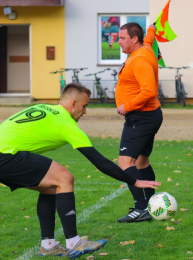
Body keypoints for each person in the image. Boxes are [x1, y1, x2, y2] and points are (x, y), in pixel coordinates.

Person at [0, 83, 161, 259]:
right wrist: (135, 181)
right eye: (84, 106)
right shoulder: (66, 124)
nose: (85, 112)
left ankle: (48, 245)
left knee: (52, 187)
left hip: (5, 154)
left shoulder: (42, 107)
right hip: (5, 155)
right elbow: (100, 162)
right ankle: (74, 242)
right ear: (74, 103)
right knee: (64, 178)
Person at [115, 22, 163, 223]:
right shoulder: (145, 48)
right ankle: (152, 205)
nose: (119, 42)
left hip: (140, 118)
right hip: (148, 116)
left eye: (122, 38)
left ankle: (141, 208)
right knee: (142, 162)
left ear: (134, 39)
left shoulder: (141, 60)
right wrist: (152, 27)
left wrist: (127, 106)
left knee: (125, 163)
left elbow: (149, 91)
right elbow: (150, 38)